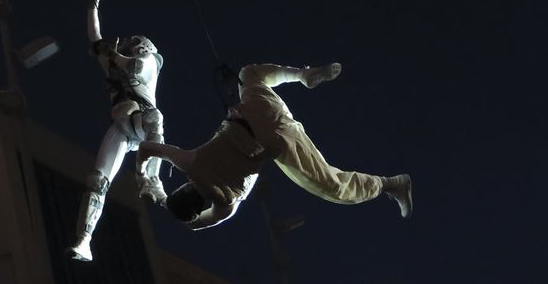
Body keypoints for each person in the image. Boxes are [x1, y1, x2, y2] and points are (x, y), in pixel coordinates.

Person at [138, 63, 413, 230]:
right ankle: (301, 74)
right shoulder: (189, 162)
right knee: (248, 74)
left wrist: (162, 201)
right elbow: (146, 148)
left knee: (332, 186)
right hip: (257, 109)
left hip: (276, 138)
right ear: (185, 187)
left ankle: (390, 184)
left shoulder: (225, 204)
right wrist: (145, 177)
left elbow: (199, 224)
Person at [69, 0, 167, 262]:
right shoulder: (115, 63)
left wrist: (112, 55)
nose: (129, 47)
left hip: (142, 119)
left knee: (155, 118)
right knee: (98, 180)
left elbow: (134, 65)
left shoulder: (148, 62)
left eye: (133, 45)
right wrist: (93, 6)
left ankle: (151, 179)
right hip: (122, 124)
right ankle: (84, 239)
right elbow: (95, 40)